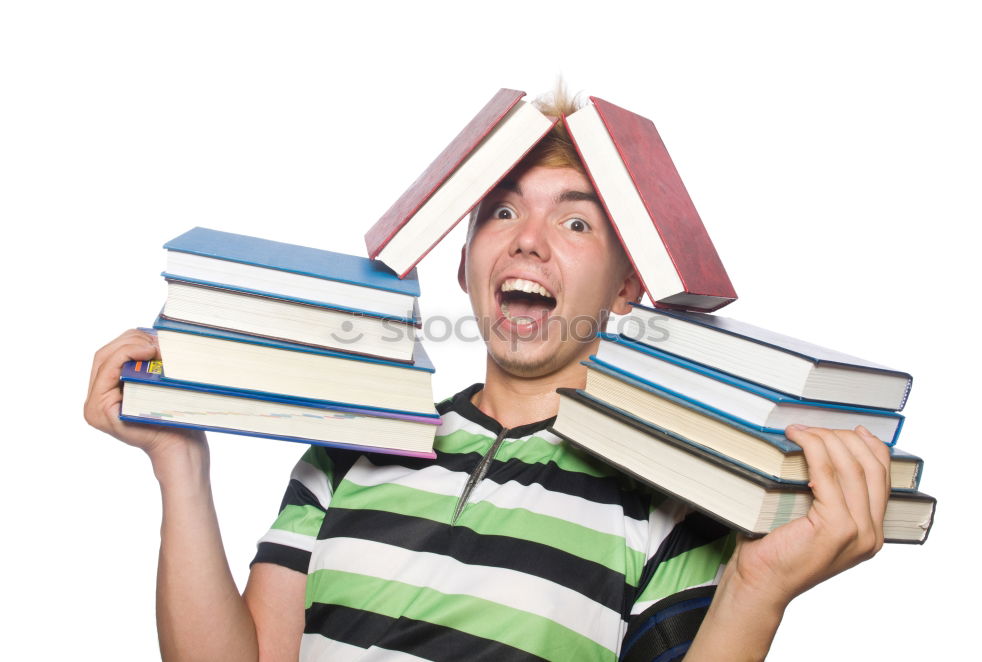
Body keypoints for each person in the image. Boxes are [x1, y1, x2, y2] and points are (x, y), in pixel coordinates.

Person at [84, 88, 891, 661]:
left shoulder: (675, 504)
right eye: (501, 212)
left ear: (624, 286)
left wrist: (757, 590)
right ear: (465, 259)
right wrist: (180, 467)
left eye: (575, 220)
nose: (529, 240)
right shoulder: (349, 449)